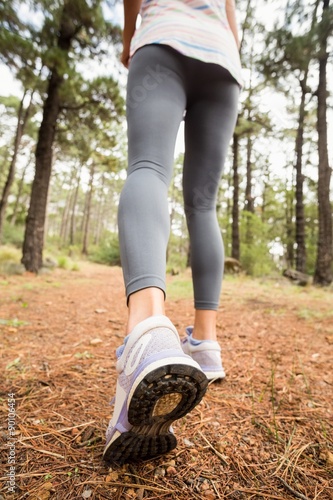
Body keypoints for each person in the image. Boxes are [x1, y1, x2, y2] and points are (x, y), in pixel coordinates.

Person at [103, 0, 242, 464]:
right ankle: (205, 342)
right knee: (204, 204)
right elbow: (231, 18)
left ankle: (147, 331)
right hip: (222, 60)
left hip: (163, 39)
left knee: (148, 167)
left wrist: (128, 39)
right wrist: (228, 53)